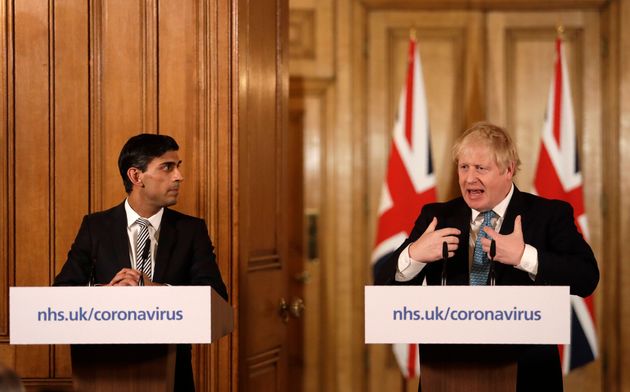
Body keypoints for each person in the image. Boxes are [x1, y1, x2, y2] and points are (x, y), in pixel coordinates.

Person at [375, 122, 599, 391]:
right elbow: (385, 287)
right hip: (448, 374)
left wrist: (524, 256)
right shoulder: (436, 216)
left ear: (508, 170)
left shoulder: (548, 215)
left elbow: (587, 277)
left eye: (481, 168)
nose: (469, 178)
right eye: (463, 167)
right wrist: (415, 255)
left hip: (526, 375)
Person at [54, 133, 228, 391]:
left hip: (172, 371)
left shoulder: (192, 230)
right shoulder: (95, 227)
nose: (179, 176)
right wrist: (108, 293)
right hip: (103, 370)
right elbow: (62, 293)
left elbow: (216, 296)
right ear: (136, 177)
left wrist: (155, 289)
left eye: (178, 167)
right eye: (167, 167)